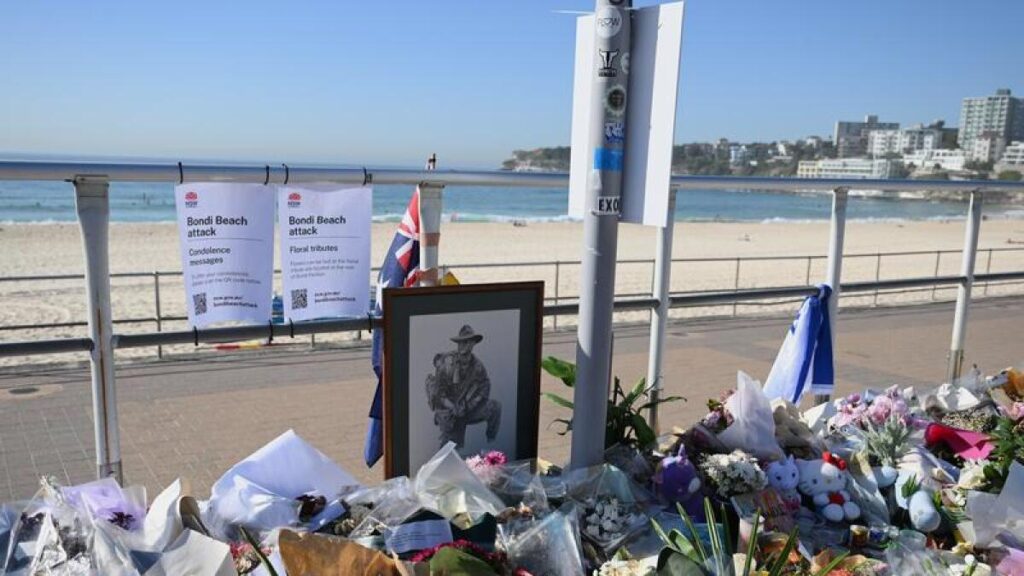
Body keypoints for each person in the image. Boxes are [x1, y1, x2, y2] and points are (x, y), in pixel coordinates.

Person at [426, 325, 502, 448]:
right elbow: (439, 393)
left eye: (467, 342)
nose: (463, 345)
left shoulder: (477, 366)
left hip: (467, 408)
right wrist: (453, 407)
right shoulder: (447, 363)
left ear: (473, 344)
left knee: (495, 407)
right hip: (449, 410)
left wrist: (471, 404)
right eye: (461, 342)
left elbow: (485, 387)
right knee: (452, 448)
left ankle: (492, 443)